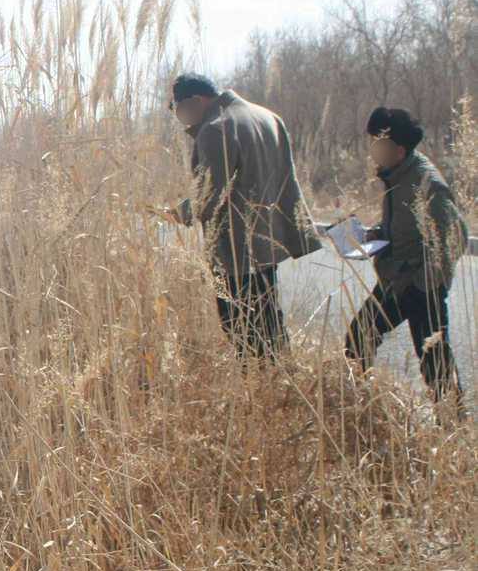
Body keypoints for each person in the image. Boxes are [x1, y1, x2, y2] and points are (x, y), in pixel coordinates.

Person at [168, 74, 322, 357]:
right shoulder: (268, 117)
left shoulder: (215, 128)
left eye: (177, 109)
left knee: (241, 328)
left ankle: (261, 386)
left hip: (235, 249)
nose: (181, 118)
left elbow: (210, 193)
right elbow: (288, 180)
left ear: (195, 101)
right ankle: (281, 378)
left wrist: (179, 214)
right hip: (268, 242)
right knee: (270, 319)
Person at [345, 107, 466, 412]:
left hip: (419, 286)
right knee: (358, 339)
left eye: (377, 143)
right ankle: (362, 410)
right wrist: (370, 236)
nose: (372, 150)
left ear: (397, 149)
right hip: (393, 280)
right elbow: (403, 230)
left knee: (436, 368)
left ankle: (454, 431)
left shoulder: (427, 183)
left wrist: (424, 282)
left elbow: (456, 237)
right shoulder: (396, 175)